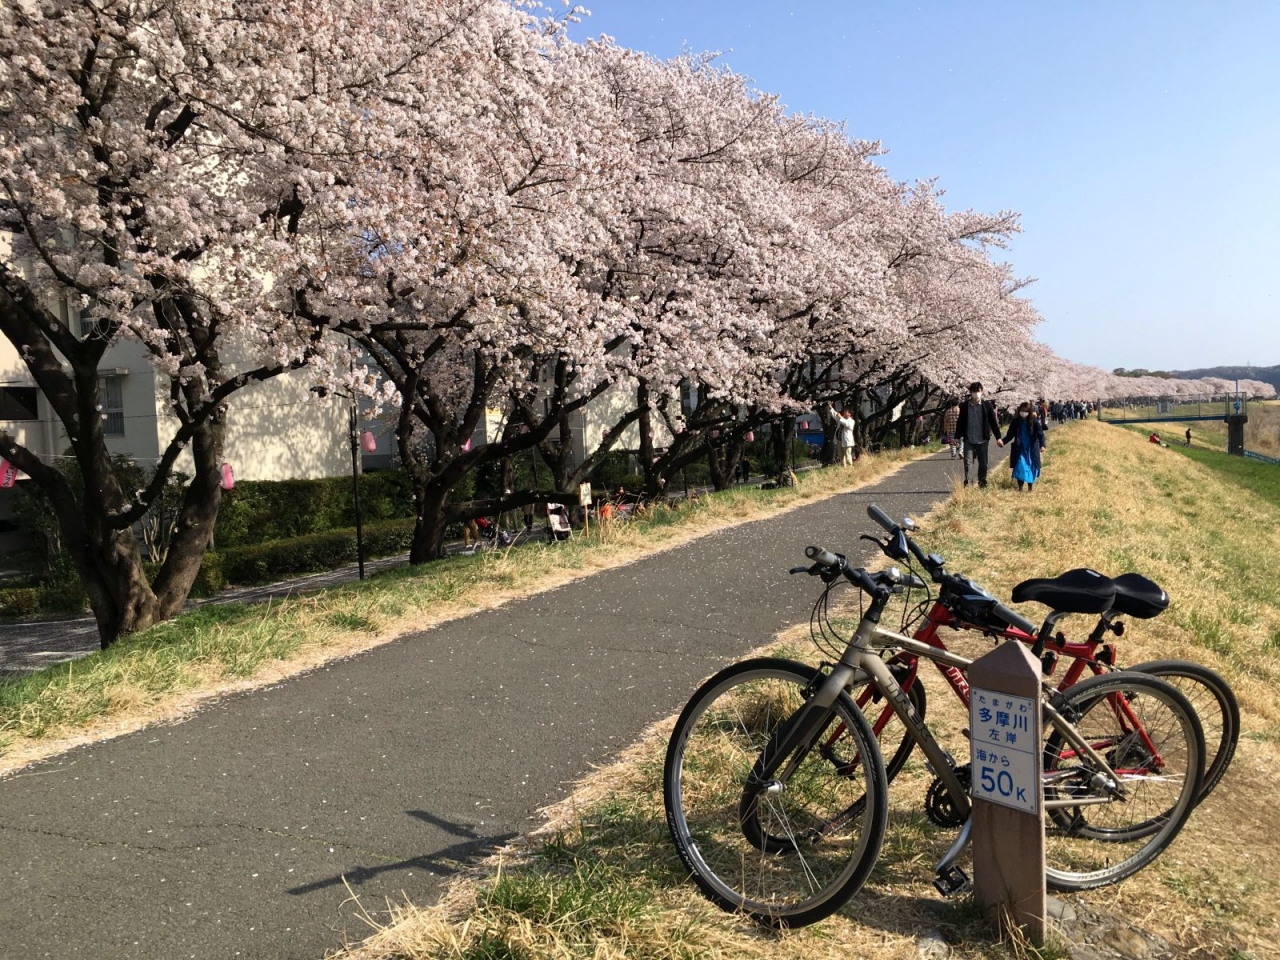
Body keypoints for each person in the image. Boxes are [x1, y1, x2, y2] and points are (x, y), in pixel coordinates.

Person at [954, 381, 1002, 488]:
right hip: (968, 439)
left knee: (983, 463)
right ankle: (969, 482)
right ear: (970, 392)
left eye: (978, 391)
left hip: (982, 439)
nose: (976, 394)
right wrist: (957, 437)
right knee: (968, 462)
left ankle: (982, 481)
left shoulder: (986, 406)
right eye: (974, 391)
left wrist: (998, 437)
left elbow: (993, 422)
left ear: (982, 392)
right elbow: (960, 422)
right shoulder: (965, 406)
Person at [1003, 401, 1047, 492]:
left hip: (1031, 449)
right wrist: (1003, 442)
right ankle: (1020, 487)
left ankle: (1030, 487)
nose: (1023, 412)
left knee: (1030, 467)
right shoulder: (1016, 421)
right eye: (1022, 410)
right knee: (1020, 466)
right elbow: (1010, 434)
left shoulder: (1033, 421)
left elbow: (1040, 433)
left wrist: (1042, 445)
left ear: (1029, 411)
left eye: (1025, 410)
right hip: (1020, 448)